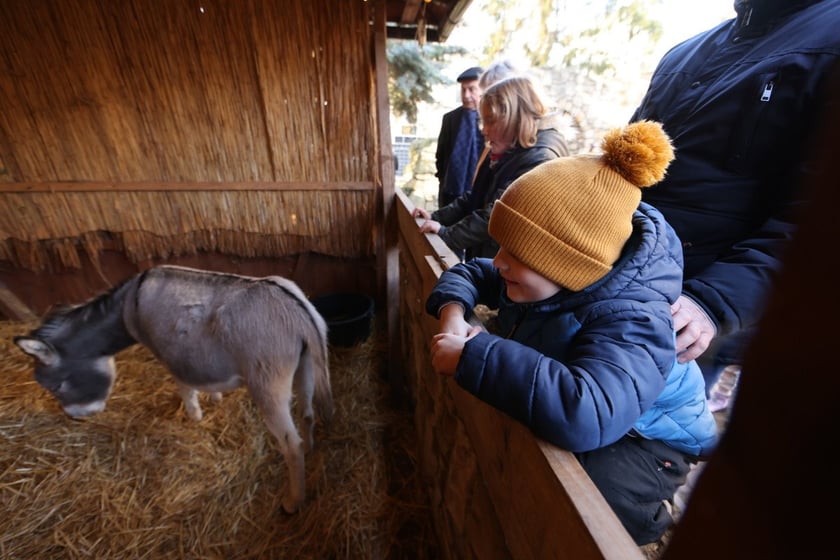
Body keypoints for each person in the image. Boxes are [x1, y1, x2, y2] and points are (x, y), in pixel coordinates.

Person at [424, 121, 718, 545]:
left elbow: (588, 413)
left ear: (569, 265)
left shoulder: (634, 322)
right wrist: (454, 313)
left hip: (649, 438)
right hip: (606, 405)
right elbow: (475, 271)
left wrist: (474, 355)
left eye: (517, 252)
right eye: (500, 246)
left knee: (597, 494)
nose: (500, 262)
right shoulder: (556, 280)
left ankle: (650, 518)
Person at [629, 0, 840, 407]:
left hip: (690, 317)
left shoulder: (831, 42)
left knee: (629, 442)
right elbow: (624, 164)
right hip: (603, 280)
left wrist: (713, 301)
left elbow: (815, 225)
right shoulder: (686, 52)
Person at [414, 75, 569, 261]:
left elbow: (498, 214)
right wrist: (437, 217)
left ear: (513, 119)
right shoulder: (509, 147)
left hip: (514, 273)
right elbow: (476, 197)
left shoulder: (540, 160)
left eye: (490, 121)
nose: (484, 130)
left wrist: (448, 234)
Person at [434, 65, 484, 209]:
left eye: (472, 89)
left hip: (478, 196)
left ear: (484, 90)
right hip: (450, 192)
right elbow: (441, 155)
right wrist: (443, 180)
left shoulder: (493, 120)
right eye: (463, 90)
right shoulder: (450, 119)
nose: (466, 95)